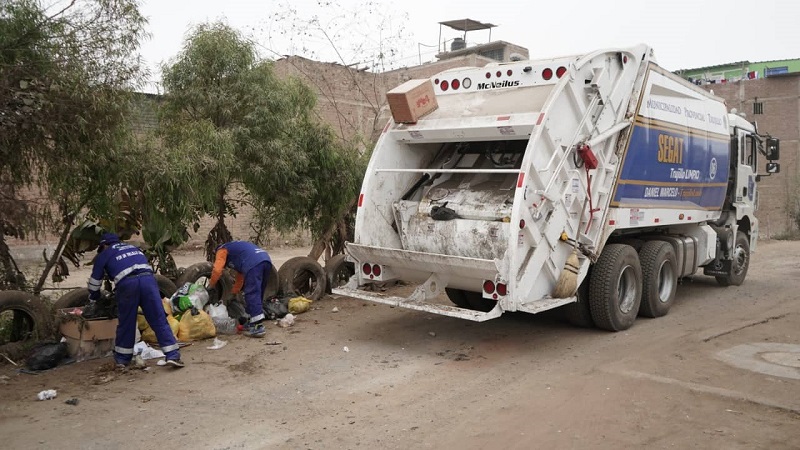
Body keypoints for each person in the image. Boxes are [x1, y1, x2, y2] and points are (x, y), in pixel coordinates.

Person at [85, 232, 184, 368]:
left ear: (105, 245)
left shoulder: (104, 254)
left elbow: (94, 283)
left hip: (127, 285)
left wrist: (94, 297)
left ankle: (122, 359)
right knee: (158, 318)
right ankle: (173, 355)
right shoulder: (133, 248)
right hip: (149, 282)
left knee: (127, 322)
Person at [208, 240, 272, 338]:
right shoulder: (237, 252)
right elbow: (240, 277)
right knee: (258, 294)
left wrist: (211, 285)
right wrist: (234, 292)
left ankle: (258, 327)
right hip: (265, 260)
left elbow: (217, 270)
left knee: (251, 293)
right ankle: (253, 322)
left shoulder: (222, 250)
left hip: (253, 263)